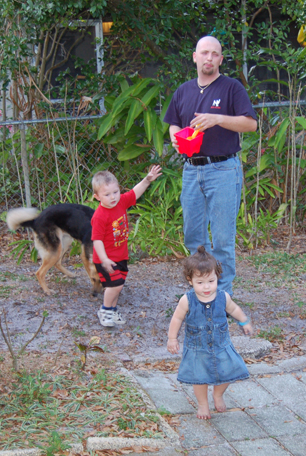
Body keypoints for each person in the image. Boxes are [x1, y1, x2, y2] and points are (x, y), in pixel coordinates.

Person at [163, 35, 257, 296]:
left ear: (221, 59)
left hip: (223, 169)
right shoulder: (183, 91)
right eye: (204, 53)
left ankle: (222, 296)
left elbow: (251, 124)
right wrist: (174, 136)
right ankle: (202, 289)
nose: (209, 58)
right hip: (192, 170)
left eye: (215, 54)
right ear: (195, 57)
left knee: (223, 240)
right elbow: (173, 122)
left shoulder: (231, 88)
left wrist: (217, 119)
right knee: (193, 237)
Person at [167, 246, 254, 419]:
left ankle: (218, 394)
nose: (206, 287)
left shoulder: (223, 297)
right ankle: (202, 404)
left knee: (231, 368)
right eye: (200, 283)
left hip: (221, 344)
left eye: (211, 281)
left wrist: (244, 321)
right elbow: (177, 319)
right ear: (190, 280)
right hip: (197, 347)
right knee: (199, 378)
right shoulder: (187, 300)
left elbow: (234, 309)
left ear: (217, 278)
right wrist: (172, 338)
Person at [91, 164, 162, 327]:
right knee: (114, 285)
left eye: (115, 192)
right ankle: (105, 310)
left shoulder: (121, 202)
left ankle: (113, 310)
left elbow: (135, 192)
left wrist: (147, 179)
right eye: (107, 194)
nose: (113, 197)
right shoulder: (100, 216)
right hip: (106, 259)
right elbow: (97, 240)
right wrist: (104, 260)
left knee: (118, 285)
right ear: (97, 197)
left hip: (121, 255)